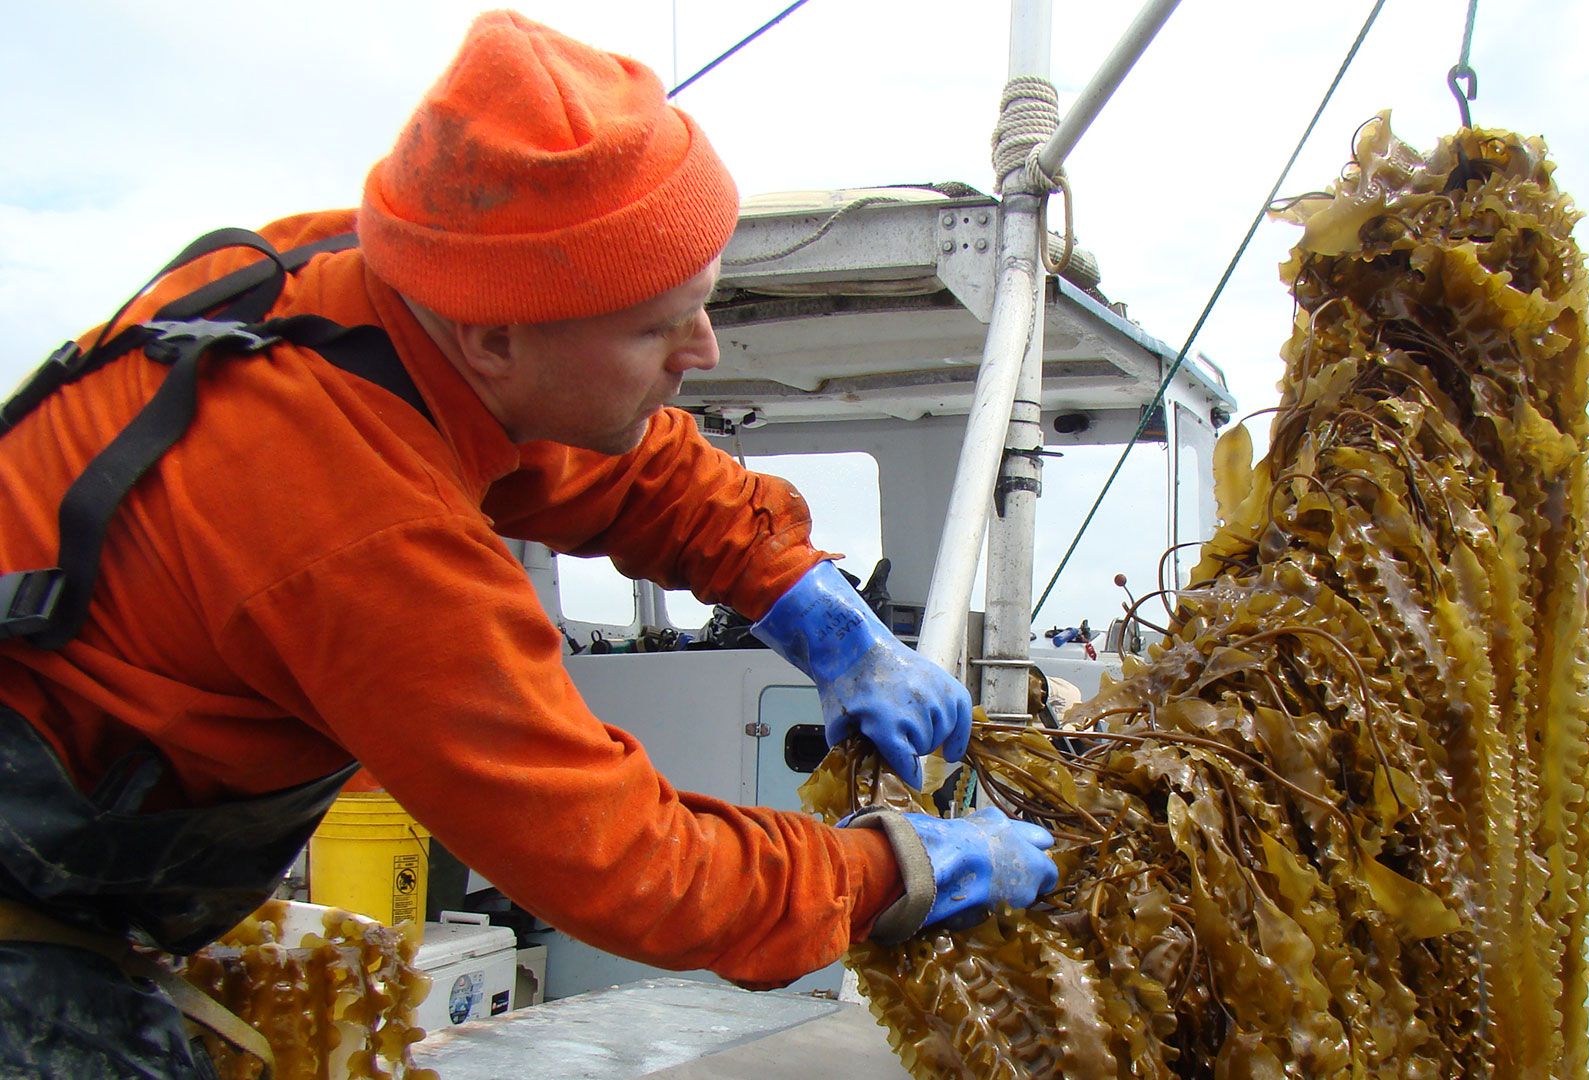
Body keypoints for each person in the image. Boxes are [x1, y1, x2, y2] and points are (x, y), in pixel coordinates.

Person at [0, 11, 1057, 1076]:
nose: (706, 348)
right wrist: (900, 868)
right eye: (658, 327)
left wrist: (807, 602)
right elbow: (626, 864)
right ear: (495, 334)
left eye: (703, 303)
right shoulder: (358, 527)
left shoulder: (397, 295)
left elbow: (622, 460)